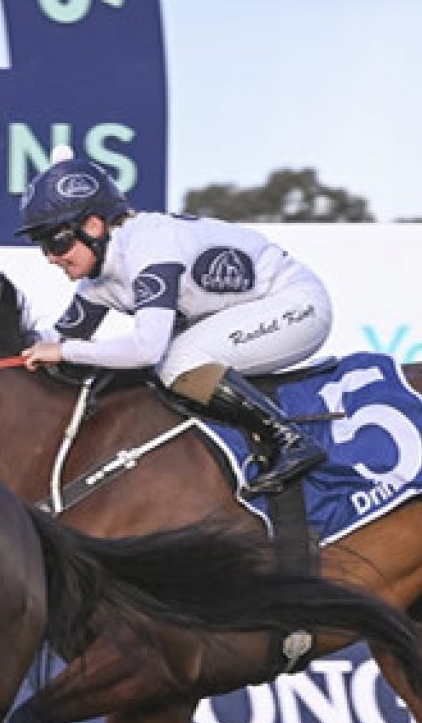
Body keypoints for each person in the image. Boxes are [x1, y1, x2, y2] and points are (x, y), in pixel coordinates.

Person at [18, 153, 331, 497]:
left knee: (176, 360)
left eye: (56, 242)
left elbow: (146, 349)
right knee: (172, 361)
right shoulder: (98, 281)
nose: (50, 257)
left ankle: (289, 439)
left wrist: (64, 352)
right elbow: (54, 340)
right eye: (42, 245)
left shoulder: (151, 247)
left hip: (297, 305)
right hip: (252, 309)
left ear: (93, 226)